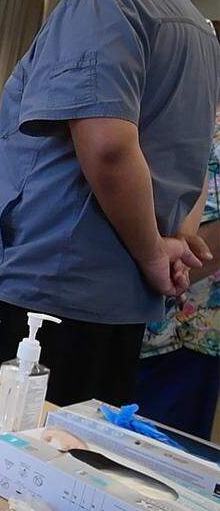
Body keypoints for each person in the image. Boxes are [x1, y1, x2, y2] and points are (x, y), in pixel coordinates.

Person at [0, 0, 220, 407]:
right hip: (118, 300)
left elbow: (108, 147)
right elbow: (191, 159)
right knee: (72, 460)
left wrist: (152, 254)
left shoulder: (100, 3)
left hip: (47, 288)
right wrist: (170, 242)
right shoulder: (196, 26)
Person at [134, 111, 219, 440]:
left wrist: (165, 275)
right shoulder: (198, 110)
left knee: (154, 456)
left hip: (183, 328)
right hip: (145, 318)